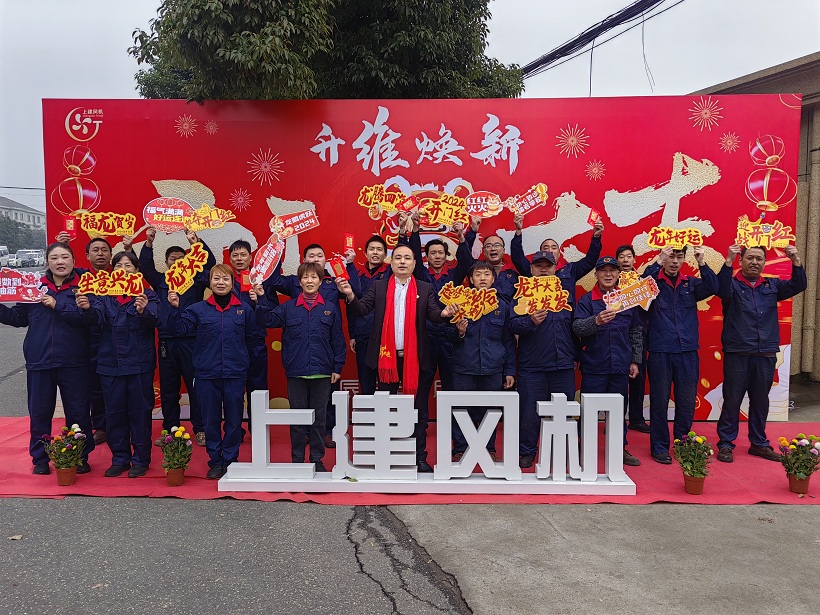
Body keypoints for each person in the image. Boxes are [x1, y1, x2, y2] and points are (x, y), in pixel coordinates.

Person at [336, 244, 457, 472]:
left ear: (414, 264)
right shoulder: (379, 286)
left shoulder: (424, 288)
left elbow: (433, 314)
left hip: (416, 359)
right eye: (398, 258)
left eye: (407, 258)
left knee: (419, 409)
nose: (402, 262)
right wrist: (350, 295)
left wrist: (443, 314)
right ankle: (386, 454)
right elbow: (362, 309)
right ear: (390, 263)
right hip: (386, 359)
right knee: (387, 408)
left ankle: (419, 457)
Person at [0, 242, 95, 475]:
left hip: (75, 361)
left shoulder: (85, 286)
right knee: (40, 412)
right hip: (39, 361)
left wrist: (58, 304)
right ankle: (40, 458)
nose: (60, 262)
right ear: (47, 262)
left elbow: (91, 320)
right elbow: (18, 317)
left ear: (73, 260)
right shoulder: (34, 286)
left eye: (64, 257)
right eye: (54, 258)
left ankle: (79, 456)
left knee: (78, 412)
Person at [715, 244, 807, 463]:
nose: (754, 262)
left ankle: (759, 443)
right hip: (738, 352)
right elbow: (720, 289)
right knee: (732, 400)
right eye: (750, 258)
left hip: (765, 353)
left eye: (759, 259)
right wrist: (728, 260)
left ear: (764, 262)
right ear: (741, 261)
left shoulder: (772, 285)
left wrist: (795, 261)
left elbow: (799, 284)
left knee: (760, 401)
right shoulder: (732, 285)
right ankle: (726, 443)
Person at [167, 264, 259, 479]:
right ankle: (215, 461)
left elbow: (252, 339)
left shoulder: (244, 309)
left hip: (235, 374)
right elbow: (179, 329)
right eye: (216, 278)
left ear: (232, 283)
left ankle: (231, 459)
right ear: (209, 283)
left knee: (234, 420)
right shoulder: (198, 309)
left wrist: (243, 361)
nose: (221, 283)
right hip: (207, 374)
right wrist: (174, 309)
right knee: (210, 421)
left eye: (225, 279)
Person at [256, 262, 346, 471]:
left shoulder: (329, 309)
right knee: (297, 419)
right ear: (300, 282)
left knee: (319, 419)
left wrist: (337, 367)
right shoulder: (288, 307)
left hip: (323, 372)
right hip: (296, 371)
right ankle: (297, 459)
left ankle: (316, 459)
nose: (310, 281)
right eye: (305, 277)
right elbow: (268, 320)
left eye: (314, 277)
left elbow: (338, 340)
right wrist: (261, 297)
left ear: (321, 281)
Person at [269, 242, 360, 448]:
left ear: (325, 260)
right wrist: (277, 253)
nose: (316, 259)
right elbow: (273, 281)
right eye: (311, 256)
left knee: (326, 396)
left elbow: (355, 292)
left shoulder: (333, 281)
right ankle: (305, 433)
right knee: (301, 400)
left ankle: (327, 431)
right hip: (300, 347)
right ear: (303, 261)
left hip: (325, 347)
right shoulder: (295, 282)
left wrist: (350, 265)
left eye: (320, 255)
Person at [77, 251, 159, 478]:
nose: (123, 270)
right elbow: (96, 320)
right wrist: (87, 308)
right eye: (119, 266)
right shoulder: (103, 296)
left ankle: (141, 459)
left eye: (128, 265)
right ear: (113, 272)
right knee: (114, 414)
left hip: (139, 365)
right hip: (110, 365)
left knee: (140, 413)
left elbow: (156, 319)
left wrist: (143, 311)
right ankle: (120, 458)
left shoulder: (147, 295)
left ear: (137, 271)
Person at [397, 211, 474, 441]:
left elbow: (467, 262)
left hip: (451, 335)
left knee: (452, 386)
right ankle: (418, 431)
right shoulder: (420, 274)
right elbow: (413, 253)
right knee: (422, 386)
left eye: (441, 252)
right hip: (427, 335)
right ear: (427, 257)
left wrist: (461, 237)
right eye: (433, 253)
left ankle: (456, 436)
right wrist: (415, 229)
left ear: (446, 255)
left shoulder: (454, 275)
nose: (437, 256)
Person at [135, 226, 215, 447]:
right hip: (167, 342)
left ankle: (200, 429)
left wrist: (195, 242)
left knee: (196, 386)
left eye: (182, 258)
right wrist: (149, 243)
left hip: (192, 340)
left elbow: (210, 265)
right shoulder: (160, 280)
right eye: (173, 259)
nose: (177, 261)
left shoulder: (196, 278)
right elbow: (145, 267)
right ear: (167, 262)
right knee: (169, 389)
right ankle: (171, 430)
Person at [643, 245, 718, 464]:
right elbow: (639, 287)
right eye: (670, 257)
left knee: (686, 401)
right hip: (660, 351)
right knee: (659, 401)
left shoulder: (691, 284)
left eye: (679, 257)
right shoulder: (653, 284)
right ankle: (659, 447)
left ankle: (682, 443)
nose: (674, 261)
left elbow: (713, 287)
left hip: (687, 351)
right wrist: (658, 261)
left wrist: (702, 262)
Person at [572, 256, 643, 467]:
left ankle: (619, 448)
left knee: (618, 411)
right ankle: (584, 448)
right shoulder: (587, 300)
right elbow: (576, 328)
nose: (608, 274)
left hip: (620, 365)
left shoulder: (627, 299)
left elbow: (636, 331)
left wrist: (635, 360)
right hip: (594, 366)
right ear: (596, 274)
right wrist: (595, 321)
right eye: (603, 270)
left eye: (613, 270)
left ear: (619, 274)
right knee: (588, 411)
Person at [509, 250, 576, 469]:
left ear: (556, 269)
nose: (544, 269)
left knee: (563, 412)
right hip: (532, 366)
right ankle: (527, 451)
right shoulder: (522, 293)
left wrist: (575, 356)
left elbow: (574, 327)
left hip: (563, 364)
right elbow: (512, 325)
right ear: (531, 269)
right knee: (529, 413)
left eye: (548, 265)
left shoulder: (564, 294)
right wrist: (530, 321)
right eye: (539, 266)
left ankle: (560, 451)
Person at [444, 261, 516, 461]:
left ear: (493, 279)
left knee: (490, 410)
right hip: (464, 366)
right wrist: (459, 332)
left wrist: (510, 371)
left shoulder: (502, 306)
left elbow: (508, 341)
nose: (482, 278)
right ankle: (460, 448)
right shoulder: (459, 303)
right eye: (478, 274)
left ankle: (489, 448)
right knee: (461, 409)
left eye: (486, 274)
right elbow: (446, 335)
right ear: (471, 279)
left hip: (493, 367)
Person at [227, 239, 277, 435]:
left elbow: (272, 312)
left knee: (258, 388)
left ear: (250, 257)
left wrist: (260, 300)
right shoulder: (226, 280)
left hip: (255, 341)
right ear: (230, 258)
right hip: (232, 343)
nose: (239, 259)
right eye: (235, 255)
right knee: (233, 389)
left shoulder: (262, 280)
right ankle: (234, 431)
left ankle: (258, 430)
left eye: (243, 255)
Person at [511, 212, 604, 304]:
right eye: (546, 248)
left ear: (559, 254)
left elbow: (590, 260)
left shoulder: (570, 270)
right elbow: (517, 257)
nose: (550, 250)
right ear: (540, 253)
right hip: (538, 312)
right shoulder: (533, 269)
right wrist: (518, 231)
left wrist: (596, 237)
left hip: (564, 312)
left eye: (554, 248)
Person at [347, 235, 391, 396]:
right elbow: (352, 304)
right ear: (365, 253)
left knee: (387, 383)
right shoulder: (357, 274)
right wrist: (353, 334)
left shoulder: (391, 273)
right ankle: (368, 412)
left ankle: (387, 412)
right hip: (364, 333)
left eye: (379, 249)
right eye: (372, 249)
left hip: (386, 336)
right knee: (366, 382)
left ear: (385, 254)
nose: (375, 252)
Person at [616, 244, 650, 434]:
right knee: (617, 380)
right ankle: (615, 419)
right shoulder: (611, 282)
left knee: (638, 378)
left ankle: (636, 418)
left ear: (634, 260)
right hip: (618, 334)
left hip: (639, 334)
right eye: (622, 257)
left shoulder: (642, 281)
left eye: (629, 256)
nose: (625, 260)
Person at [463, 218, 520, 302]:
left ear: (503, 250)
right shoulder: (475, 267)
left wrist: (518, 231)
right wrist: (473, 230)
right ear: (484, 251)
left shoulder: (513, 274)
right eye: (488, 246)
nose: (493, 248)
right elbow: (464, 253)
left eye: (497, 245)